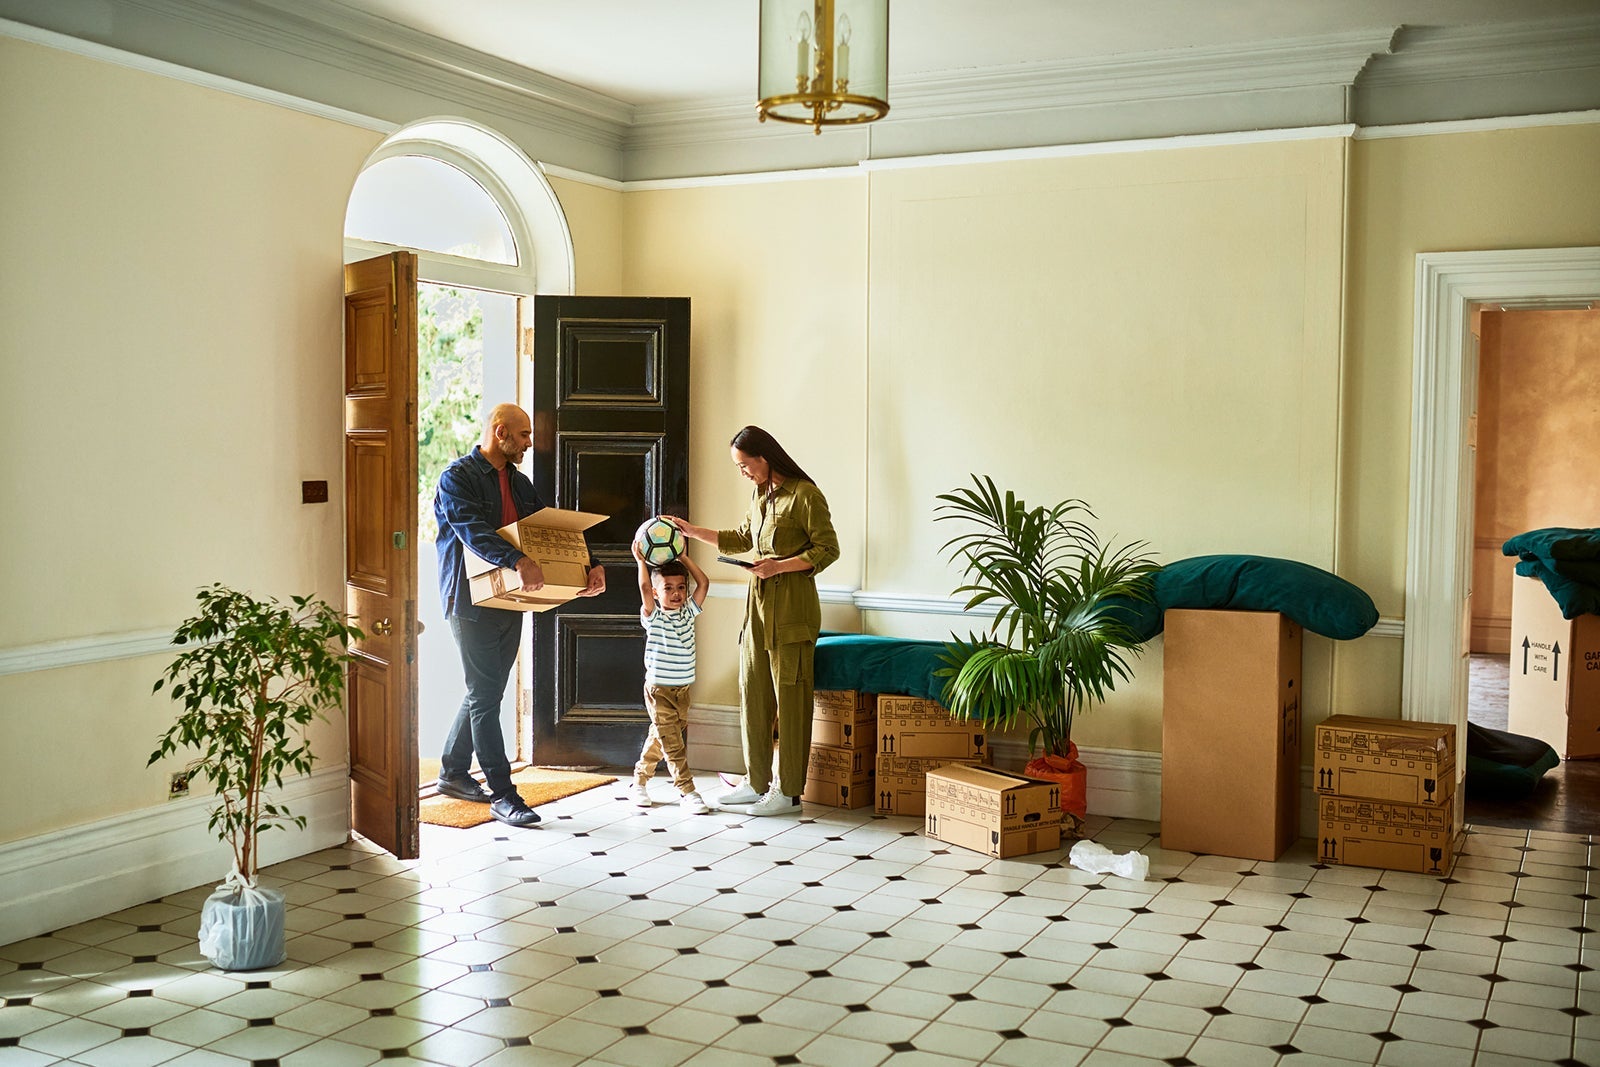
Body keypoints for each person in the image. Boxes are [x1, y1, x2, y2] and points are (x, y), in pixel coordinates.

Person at [433, 403, 605, 828]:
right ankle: (503, 795)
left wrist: (591, 564)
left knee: (486, 691)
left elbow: (549, 529)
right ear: (500, 432)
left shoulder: (519, 482)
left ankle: (453, 772)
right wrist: (517, 560)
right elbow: (472, 530)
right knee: (485, 694)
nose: (530, 442)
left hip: (509, 599)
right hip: (468, 602)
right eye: (524, 434)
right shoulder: (456, 478)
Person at [669, 426, 839, 816]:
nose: (743, 472)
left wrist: (780, 566)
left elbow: (828, 549)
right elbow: (743, 537)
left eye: (744, 465)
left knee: (791, 702)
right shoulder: (761, 495)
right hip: (757, 609)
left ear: (764, 457)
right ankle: (757, 781)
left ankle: (789, 792)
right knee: (753, 695)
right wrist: (692, 531)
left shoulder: (805, 495)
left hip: (793, 609)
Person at [629, 544, 711, 813]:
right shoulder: (653, 616)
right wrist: (640, 562)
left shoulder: (688, 612)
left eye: (681, 587)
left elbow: (704, 583)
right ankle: (687, 791)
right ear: (656, 593)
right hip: (659, 691)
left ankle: (639, 781)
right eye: (668, 588)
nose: (676, 593)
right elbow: (644, 588)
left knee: (661, 736)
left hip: (683, 690)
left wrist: (684, 557)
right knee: (674, 744)